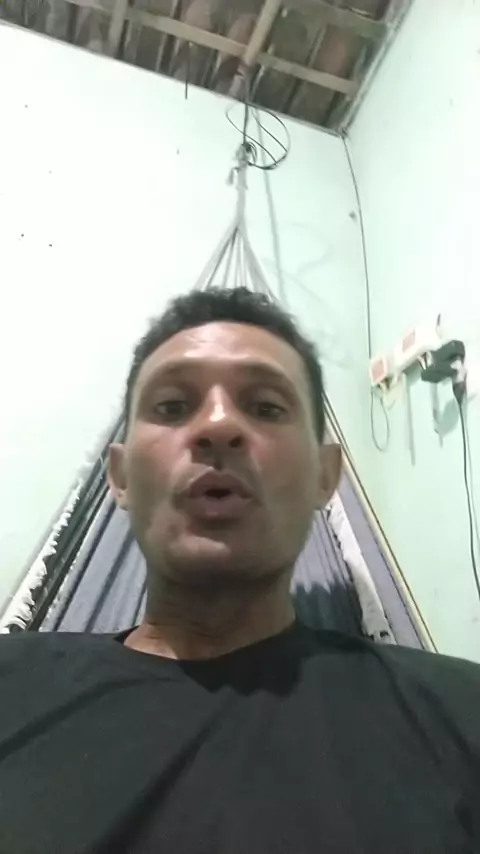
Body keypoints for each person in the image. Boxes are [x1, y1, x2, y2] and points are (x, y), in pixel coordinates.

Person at [0, 285, 479, 854]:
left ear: (326, 475)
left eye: (266, 406)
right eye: (172, 406)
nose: (218, 424)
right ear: (120, 477)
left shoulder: (462, 713)